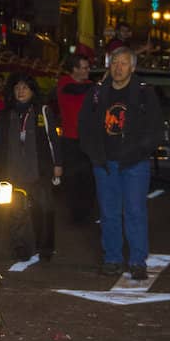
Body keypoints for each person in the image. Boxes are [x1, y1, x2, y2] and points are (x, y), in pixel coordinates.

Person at [78, 47, 164, 279]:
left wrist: (139, 150)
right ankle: (112, 259)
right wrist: (93, 153)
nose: (118, 67)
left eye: (124, 63)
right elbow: (84, 125)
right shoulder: (97, 93)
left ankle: (137, 261)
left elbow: (156, 128)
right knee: (109, 213)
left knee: (135, 212)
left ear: (133, 67)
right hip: (105, 163)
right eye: (115, 62)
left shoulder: (144, 93)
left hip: (134, 163)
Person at [0, 74, 62, 262]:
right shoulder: (6, 114)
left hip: (38, 170)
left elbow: (53, 140)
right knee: (15, 211)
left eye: (25, 88)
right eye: (17, 88)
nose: (20, 92)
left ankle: (45, 248)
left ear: (32, 91)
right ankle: (19, 247)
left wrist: (57, 164)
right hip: (12, 170)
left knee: (44, 209)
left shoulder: (42, 112)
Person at [55, 52, 97, 223]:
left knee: (89, 179)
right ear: (74, 69)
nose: (88, 71)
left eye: (88, 67)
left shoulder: (90, 85)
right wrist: (96, 86)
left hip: (89, 140)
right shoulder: (65, 83)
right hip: (71, 140)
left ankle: (87, 213)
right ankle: (76, 215)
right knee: (73, 179)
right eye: (84, 68)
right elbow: (76, 89)